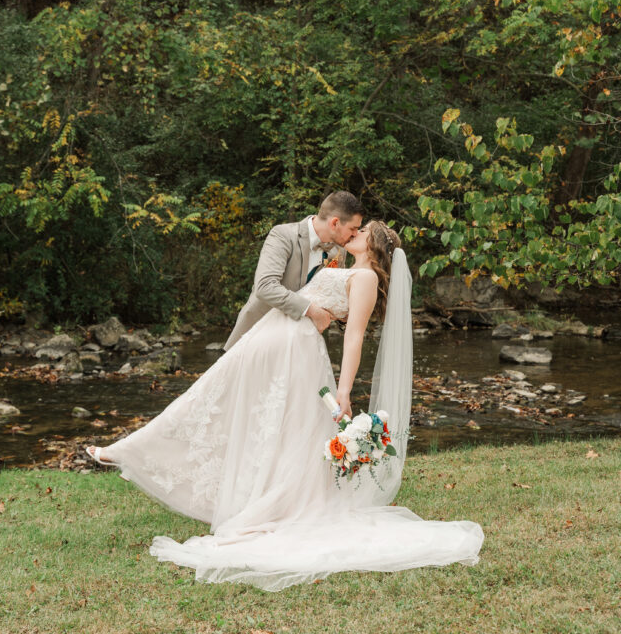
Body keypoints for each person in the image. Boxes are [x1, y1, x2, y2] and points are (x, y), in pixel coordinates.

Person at [85, 218, 484, 591]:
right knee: (217, 403)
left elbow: (354, 337)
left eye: (363, 232)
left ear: (374, 247)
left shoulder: (364, 277)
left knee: (258, 417)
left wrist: (344, 391)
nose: (354, 233)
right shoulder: (345, 264)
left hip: (295, 349)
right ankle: (137, 454)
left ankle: (126, 453)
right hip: (272, 339)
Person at [224, 190, 364, 350]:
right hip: (258, 333)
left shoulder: (339, 251)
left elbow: (331, 296)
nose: (355, 234)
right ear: (334, 223)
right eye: (353, 228)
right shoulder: (283, 235)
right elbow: (265, 287)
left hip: (298, 342)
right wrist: (311, 310)